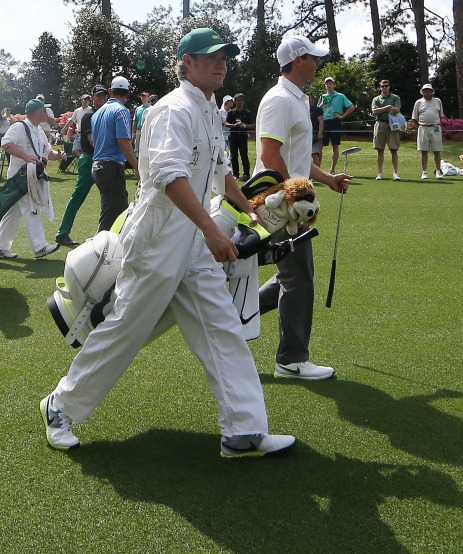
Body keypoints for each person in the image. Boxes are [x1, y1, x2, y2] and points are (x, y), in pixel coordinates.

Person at [40, 27, 296, 459]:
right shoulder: (171, 110)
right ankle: (59, 406)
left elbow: (220, 171)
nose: (221, 64)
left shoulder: (209, 109)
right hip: (158, 238)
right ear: (187, 63)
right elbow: (167, 177)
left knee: (222, 327)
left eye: (224, 57)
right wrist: (213, 230)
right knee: (125, 329)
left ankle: (243, 431)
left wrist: (249, 210)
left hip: (192, 239)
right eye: (210, 57)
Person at [254, 35, 350, 380]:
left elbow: (296, 159)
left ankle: (233, 317)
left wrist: (327, 179)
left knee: (289, 276)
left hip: (289, 200)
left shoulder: (297, 99)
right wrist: (295, 195)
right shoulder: (279, 100)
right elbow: (269, 155)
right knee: (299, 279)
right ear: (298, 61)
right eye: (313, 58)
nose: (318, 63)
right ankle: (291, 361)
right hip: (279, 203)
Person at [0, 99, 66, 259]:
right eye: (44, 110)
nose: (46, 113)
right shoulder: (19, 126)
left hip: (31, 177)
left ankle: (1, 246)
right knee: (31, 207)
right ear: (37, 112)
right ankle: (40, 247)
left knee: (14, 213)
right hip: (20, 178)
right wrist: (26, 156)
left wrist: (59, 155)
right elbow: (5, 143)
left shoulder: (40, 131)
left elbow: (48, 153)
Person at [55, 85, 110, 247]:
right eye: (98, 95)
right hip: (90, 160)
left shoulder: (105, 114)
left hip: (101, 159)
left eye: (104, 95)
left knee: (112, 197)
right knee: (78, 196)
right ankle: (62, 233)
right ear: (92, 97)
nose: (102, 98)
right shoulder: (88, 116)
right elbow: (93, 141)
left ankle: (108, 235)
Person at [91, 76, 138, 232]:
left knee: (115, 211)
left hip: (98, 165)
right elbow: (123, 141)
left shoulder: (97, 113)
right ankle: (100, 250)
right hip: (111, 168)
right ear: (128, 93)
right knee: (113, 217)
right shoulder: (121, 111)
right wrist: (137, 167)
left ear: (110, 91)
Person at [320, 76, 354, 174]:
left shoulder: (340, 96)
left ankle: (332, 169)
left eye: (330, 83)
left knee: (335, 146)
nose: (328, 85)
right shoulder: (323, 97)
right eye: (327, 84)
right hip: (325, 122)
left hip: (335, 122)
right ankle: (318, 169)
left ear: (334, 85)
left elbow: (351, 107)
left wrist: (342, 116)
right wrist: (322, 103)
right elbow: (317, 110)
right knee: (320, 146)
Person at [411, 84, 445, 180]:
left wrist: (438, 125)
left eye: (428, 90)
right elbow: (414, 118)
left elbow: (441, 115)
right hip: (423, 128)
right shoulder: (418, 102)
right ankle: (424, 172)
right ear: (422, 92)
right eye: (425, 90)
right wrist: (420, 127)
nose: (427, 92)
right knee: (424, 151)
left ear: (431, 91)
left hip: (436, 127)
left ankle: (438, 171)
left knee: (437, 151)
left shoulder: (437, 101)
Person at [371, 79, 402, 181]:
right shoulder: (376, 99)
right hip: (380, 124)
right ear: (380, 87)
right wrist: (388, 107)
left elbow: (397, 109)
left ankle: (395, 173)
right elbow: (374, 111)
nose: (384, 87)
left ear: (389, 86)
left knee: (394, 149)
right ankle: (380, 173)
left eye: (386, 86)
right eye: (382, 86)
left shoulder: (395, 97)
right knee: (380, 149)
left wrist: (382, 109)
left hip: (393, 125)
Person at [226, 93, 254, 180]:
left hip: (243, 137)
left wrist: (245, 126)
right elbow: (226, 124)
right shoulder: (231, 112)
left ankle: (246, 174)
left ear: (244, 102)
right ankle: (235, 174)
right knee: (234, 156)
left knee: (244, 155)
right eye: (238, 100)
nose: (239, 102)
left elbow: (253, 125)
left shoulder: (248, 113)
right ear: (235, 101)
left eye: (241, 100)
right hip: (233, 137)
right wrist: (235, 125)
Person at [131, 91, 151, 156]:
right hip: (138, 131)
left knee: (146, 148)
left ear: (148, 97)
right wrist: (133, 133)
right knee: (137, 149)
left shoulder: (151, 108)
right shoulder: (138, 109)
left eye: (145, 97)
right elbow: (135, 121)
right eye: (142, 97)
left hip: (147, 131)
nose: (143, 98)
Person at [308, 94, 323, 167]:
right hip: (307, 135)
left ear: (313, 100)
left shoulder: (317, 109)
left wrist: (320, 133)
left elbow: (321, 121)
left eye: (309, 99)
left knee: (314, 153)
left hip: (315, 135)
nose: (308, 101)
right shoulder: (304, 109)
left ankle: (317, 172)